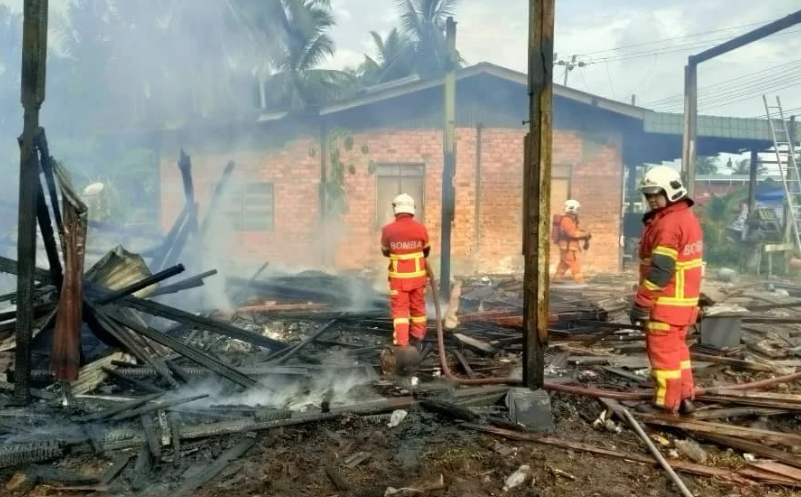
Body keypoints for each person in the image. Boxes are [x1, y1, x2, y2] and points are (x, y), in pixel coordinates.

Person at [629, 165, 703, 415]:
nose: (651, 199)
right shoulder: (685, 217)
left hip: (666, 305)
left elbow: (660, 271)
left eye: (656, 194)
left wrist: (642, 302)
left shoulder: (668, 225)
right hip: (684, 305)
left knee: (663, 357)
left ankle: (665, 403)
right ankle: (685, 397)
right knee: (679, 353)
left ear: (671, 191)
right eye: (648, 194)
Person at [379, 193, 430, 374]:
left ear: (396, 210)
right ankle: (417, 338)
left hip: (398, 279)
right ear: (412, 209)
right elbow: (426, 251)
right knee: (418, 309)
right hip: (418, 278)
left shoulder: (388, 230)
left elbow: (385, 251)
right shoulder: (421, 229)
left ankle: (402, 343)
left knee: (400, 311)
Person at [554, 199, 591, 283]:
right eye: (577, 209)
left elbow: (575, 231)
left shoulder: (571, 220)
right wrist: (585, 234)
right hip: (568, 247)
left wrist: (584, 233)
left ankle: (557, 279)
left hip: (568, 246)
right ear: (572, 208)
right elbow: (572, 233)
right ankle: (579, 281)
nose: (578, 211)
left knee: (564, 264)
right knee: (574, 263)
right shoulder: (567, 220)